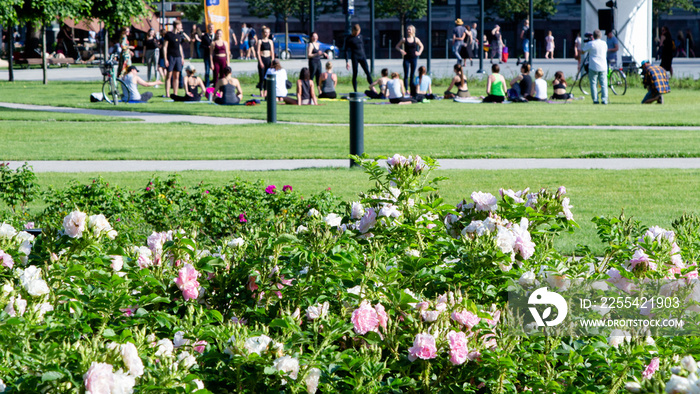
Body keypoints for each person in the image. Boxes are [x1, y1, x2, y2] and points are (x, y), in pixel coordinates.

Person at [582, 30, 608, 104]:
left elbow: (583, 51)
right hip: (603, 66)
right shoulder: (604, 43)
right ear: (600, 36)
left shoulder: (591, 43)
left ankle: (595, 99)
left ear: (593, 36)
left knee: (593, 83)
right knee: (603, 84)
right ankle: (604, 99)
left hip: (593, 66)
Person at [344, 24, 373, 92]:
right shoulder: (349, 38)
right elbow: (346, 50)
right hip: (355, 57)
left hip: (362, 56)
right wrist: (347, 61)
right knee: (355, 73)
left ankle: (372, 88)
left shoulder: (360, 36)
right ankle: (355, 91)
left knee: (367, 72)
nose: (357, 33)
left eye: (358, 32)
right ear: (353, 30)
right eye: (356, 32)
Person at [395, 25, 424, 91]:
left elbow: (422, 46)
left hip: (414, 58)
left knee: (412, 74)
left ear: (413, 31)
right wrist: (401, 50)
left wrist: (419, 53)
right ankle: (406, 90)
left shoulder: (416, 39)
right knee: (406, 75)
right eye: (407, 29)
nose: (408, 31)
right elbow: (397, 46)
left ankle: (412, 90)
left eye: (409, 29)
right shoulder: (404, 39)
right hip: (406, 59)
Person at [163, 20, 188, 97]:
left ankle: (175, 93)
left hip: (178, 57)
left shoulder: (179, 35)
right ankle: (167, 93)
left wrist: (182, 57)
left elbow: (186, 41)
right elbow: (165, 47)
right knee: (169, 75)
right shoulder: (169, 35)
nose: (181, 27)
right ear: (176, 26)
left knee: (176, 76)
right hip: (171, 56)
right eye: (180, 26)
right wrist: (165, 59)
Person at [257, 26, 274, 96]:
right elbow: (258, 52)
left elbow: (272, 52)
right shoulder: (260, 41)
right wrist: (260, 61)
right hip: (262, 59)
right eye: (265, 32)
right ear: (263, 33)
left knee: (267, 77)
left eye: (268, 32)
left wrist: (272, 61)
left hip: (268, 60)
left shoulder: (270, 42)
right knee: (261, 76)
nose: (266, 34)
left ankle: (266, 91)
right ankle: (261, 91)